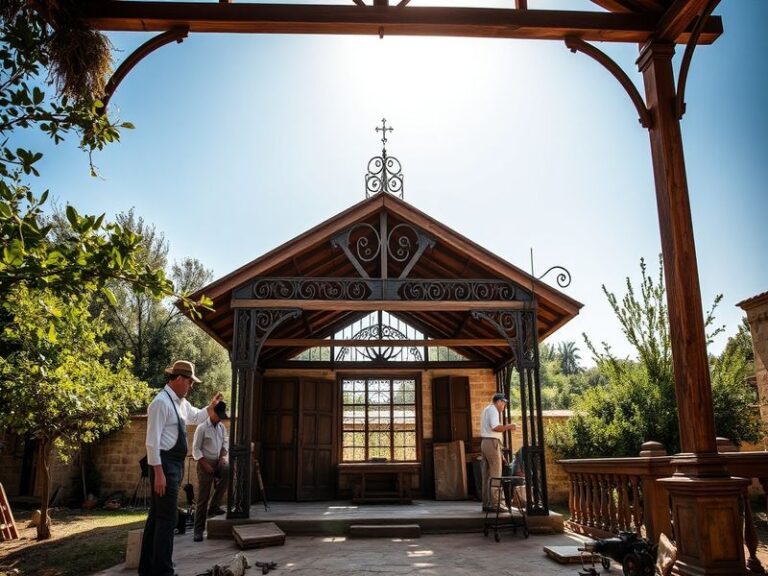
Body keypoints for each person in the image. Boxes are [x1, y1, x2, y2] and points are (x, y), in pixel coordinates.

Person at [138, 360, 222, 576]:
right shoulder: (160, 403)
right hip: (163, 466)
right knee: (168, 520)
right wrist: (158, 473)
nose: (191, 386)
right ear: (177, 379)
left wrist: (210, 407)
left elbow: (195, 416)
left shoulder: (180, 403)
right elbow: (152, 442)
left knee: (156, 517)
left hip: (173, 466)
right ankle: (164, 571)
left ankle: (147, 569)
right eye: (189, 382)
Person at [192, 400, 230, 542]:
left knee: (228, 470)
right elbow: (195, 449)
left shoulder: (221, 428)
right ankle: (198, 530)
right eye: (218, 414)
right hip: (204, 463)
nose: (219, 418)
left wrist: (222, 457)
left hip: (217, 461)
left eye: (221, 415)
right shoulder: (201, 428)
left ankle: (214, 505)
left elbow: (225, 443)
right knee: (202, 498)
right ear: (212, 411)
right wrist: (204, 464)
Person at [479, 392, 516, 512]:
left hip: (485, 443)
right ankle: (496, 504)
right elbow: (495, 427)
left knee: (486, 475)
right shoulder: (494, 410)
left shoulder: (486, 409)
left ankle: (486, 504)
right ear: (499, 401)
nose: (504, 407)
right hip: (491, 442)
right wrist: (510, 426)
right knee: (496, 474)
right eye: (504, 404)